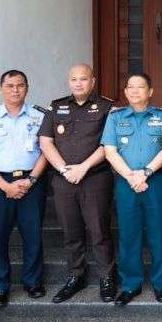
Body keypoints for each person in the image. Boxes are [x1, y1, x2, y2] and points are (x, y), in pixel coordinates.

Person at [0, 70, 48, 308]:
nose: (15, 90)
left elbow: (46, 151)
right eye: (10, 85)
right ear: (0, 88)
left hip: (32, 180)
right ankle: (0, 286)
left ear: (27, 88)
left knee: (33, 234)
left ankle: (33, 282)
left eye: (20, 85)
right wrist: (5, 186)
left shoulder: (41, 117)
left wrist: (30, 180)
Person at [38, 63, 116, 303]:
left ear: (93, 81)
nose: (78, 83)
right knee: (71, 231)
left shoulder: (107, 107)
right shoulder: (56, 107)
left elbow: (109, 143)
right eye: (74, 79)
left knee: (99, 231)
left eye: (83, 79)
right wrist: (64, 169)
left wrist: (83, 168)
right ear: (69, 81)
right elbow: (46, 141)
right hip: (64, 180)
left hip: (95, 178)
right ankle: (76, 276)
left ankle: (107, 277)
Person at [101, 73, 162, 306]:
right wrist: (131, 176)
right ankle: (131, 284)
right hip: (126, 183)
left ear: (150, 91)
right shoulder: (115, 117)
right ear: (125, 91)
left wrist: (146, 172)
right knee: (129, 234)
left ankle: (160, 283)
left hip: (154, 181)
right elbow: (110, 151)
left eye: (140, 87)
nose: (134, 91)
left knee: (158, 233)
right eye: (130, 87)